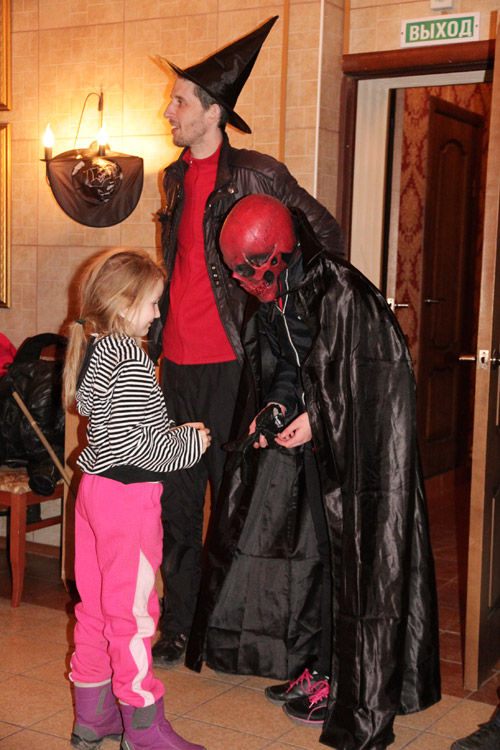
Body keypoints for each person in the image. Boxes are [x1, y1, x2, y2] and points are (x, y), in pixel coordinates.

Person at [187, 194, 441, 750]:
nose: (244, 282)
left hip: (358, 459)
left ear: (280, 252)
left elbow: (364, 383)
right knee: (322, 560)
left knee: (353, 564)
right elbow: (288, 364)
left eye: (252, 269)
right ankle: (323, 668)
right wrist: (278, 406)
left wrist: (316, 419)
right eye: (236, 271)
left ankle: (345, 684)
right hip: (318, 449)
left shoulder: (340, 291)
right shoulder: (279, 294)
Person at [149, 16, 344, 669]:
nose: (169, 111)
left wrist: (280, 308)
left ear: (214, 113)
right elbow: (180, 267)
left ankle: (221, 631)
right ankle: (178, 627)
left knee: (232, 505)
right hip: (176, 368)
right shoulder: (172, 178)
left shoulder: (259, 173)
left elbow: (325, 237)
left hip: (235, 368)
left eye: (180, 102)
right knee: (177, 505)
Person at [63, 249, 211, 750]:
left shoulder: (97, 348)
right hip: (127, 500)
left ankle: (94, 717)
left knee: (96, 607)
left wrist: (171, 431)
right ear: (125, 305)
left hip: (95, 491)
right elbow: (135, 446)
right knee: (132, 614)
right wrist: (190, 442)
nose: (156, 312)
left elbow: (113, 429)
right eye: (151, 303)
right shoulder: (130, 358)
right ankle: (145, 728)